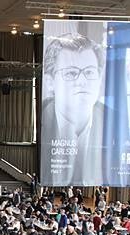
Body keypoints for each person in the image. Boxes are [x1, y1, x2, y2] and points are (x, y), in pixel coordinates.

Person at [41, 32, 105, 186]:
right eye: (71, 73)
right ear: (50, 82)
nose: (82, 82)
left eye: (89, 72)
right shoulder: (40, 120)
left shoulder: (115, 124)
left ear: (100, 78)